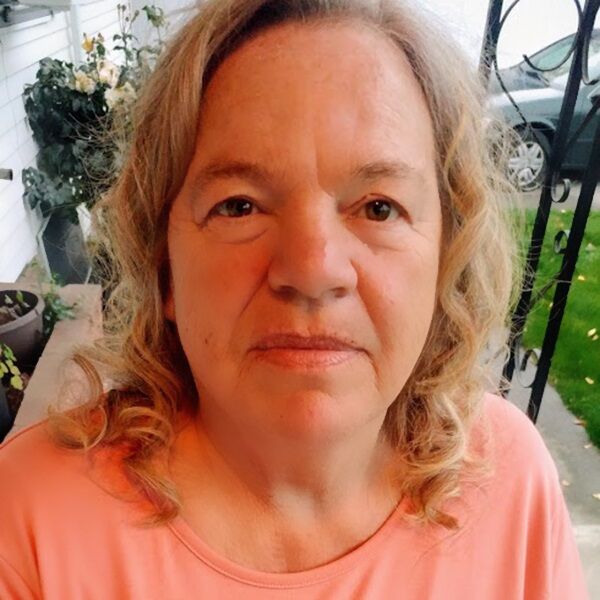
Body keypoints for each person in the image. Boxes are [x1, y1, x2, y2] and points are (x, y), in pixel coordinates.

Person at [0, 0, 589, 598]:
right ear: (163, 266)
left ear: (445, 256)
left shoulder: (508, 482)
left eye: (378, 207)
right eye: (239, 206)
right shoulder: (28, 529)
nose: (312, 270)